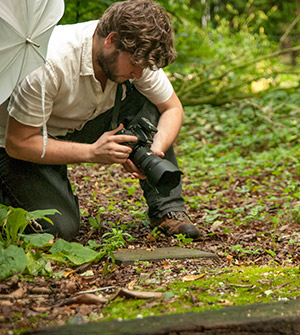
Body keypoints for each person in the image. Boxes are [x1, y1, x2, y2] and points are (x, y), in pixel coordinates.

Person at [0, 0, 201, 241]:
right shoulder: (50, 65)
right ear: (111, 41)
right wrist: (92, 152)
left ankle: (168, 209)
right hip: (20, 143)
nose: (138, 74)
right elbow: (18, 143)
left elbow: (172, 107)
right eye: (135, 65)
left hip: (77, 124)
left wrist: (154, 151)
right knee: (59, 229)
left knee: (147, 100)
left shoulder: (136, 51)